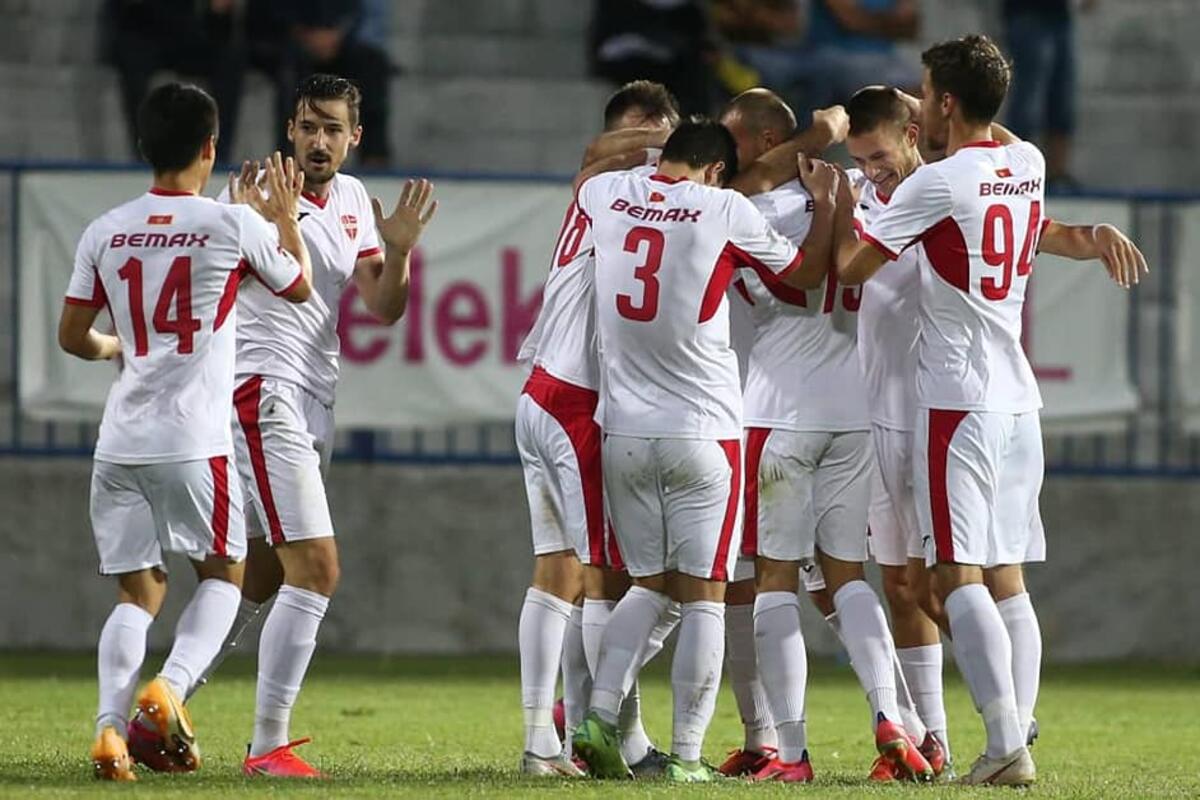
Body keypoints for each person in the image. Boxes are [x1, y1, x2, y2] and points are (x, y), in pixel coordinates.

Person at [834, 34, 1147, 786]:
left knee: (955, 573)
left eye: (924, 91)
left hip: (957, 400)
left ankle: (1006, 743)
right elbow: (1014, 179)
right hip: (1018, 400)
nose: (916, 102)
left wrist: (851, 215)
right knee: (1007, 576)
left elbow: (851, 268)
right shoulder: (1026, 161)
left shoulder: (937, 184)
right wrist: (1091, 233)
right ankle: (1015, 724)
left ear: (944, 102)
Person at [184, 74, 437, 778]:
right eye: (307, 126)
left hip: (312, 397)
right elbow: (219, 284)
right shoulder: (251, 193)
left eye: (331, 128)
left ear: (355, 137)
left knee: (263, 571)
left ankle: (164, 701)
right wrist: (261, 227)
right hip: (263, 389)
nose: (318, 140)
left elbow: (383, 306)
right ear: (290, 130)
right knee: (318, 568)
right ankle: (268, 746)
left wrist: (401, 251)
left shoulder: (352, 199)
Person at [570, 118, 837, 783]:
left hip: (624, 431)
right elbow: (805, 275)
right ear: (716, 170)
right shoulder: (723, 208)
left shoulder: (608, 195)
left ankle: (598, 718)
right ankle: (688, 755)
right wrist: (829, 206)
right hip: (701, 432)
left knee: (646, 585)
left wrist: (643, 154)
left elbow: (588, 173)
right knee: (706, 596)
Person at [59, 83, 312, 781]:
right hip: (195, 439)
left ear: (144, 145)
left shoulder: (106, 230)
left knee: (138, 594)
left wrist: (115, 348)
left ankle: (110, 732)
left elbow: (73, 336)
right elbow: (298, 286)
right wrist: (285, 219)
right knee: (226, 576)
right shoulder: (229, 223)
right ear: (210, 146)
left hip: (120, 442)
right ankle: (167, 690)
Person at [718, 88, 937, 784]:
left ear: (766, 142)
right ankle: (893, 720)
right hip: (852, 413)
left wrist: (819, 132)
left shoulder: (744, 208)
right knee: (847, 579)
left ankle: (791, 752)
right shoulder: (860, 198)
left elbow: (756, 182)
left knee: (774, 582)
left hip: (777, 412)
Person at [514, 79, 680, 778]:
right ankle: (616, 740)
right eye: (647, 134)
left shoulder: (603, 197)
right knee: (607, 578)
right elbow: (596, 150)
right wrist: (666, 141)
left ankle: (543, 744)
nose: (657, 153)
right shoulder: (608, 185)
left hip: (542, 393)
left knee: (558, 573)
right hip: (575, 401)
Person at [842, 85, 953, 778]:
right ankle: (930, 737)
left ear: (912, 134)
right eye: (860, 159)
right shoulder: (850, 194)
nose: (871, 170)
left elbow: (1008, 155)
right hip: (873, 411)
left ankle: (1006, 707)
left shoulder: (944, 191)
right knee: (899, 584)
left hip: (930, 412)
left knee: (940, 581)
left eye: (879, 155)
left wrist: (923, 102)